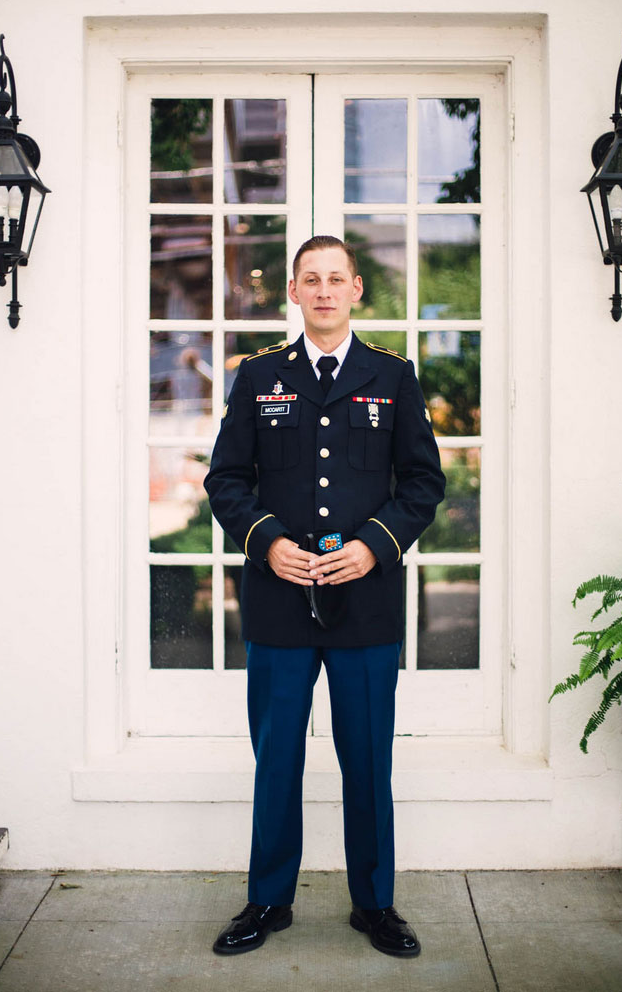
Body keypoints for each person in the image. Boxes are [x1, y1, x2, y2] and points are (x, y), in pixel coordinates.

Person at [204, 235, 445, 958]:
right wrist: (267, 538)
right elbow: (226, 480)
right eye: (311, 280)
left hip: (365, 604)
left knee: (368, 759)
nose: (324, 291)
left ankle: (374, 904)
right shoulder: (258, 378)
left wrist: (375, 544)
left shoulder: (392, 377)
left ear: (357, 289)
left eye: (336, 279)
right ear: (293, 292)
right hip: (279, 605)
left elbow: (424, 484)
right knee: (276, 757)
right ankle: (268, 900)